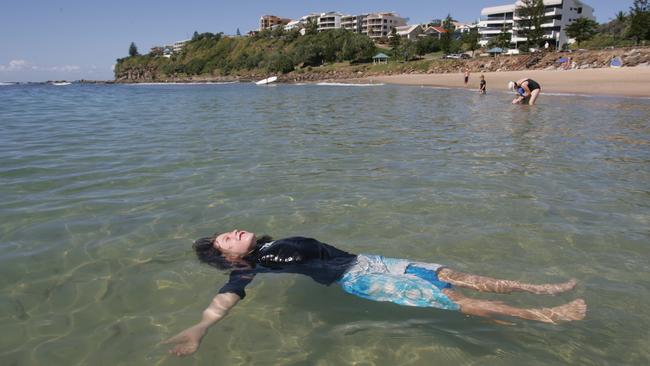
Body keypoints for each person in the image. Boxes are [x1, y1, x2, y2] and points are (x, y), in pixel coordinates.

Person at [164, 230, 586, 356]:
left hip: (371, 260)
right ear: (231, 259)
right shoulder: (255, 266)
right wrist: (202, 327)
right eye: (226, 240)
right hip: (360, 279)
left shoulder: (268, 248)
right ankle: (548, 316)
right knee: (449, 297)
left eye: (229, 231)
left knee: (449, 273)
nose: (233, 231)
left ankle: (538, 290)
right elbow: (230, 294)